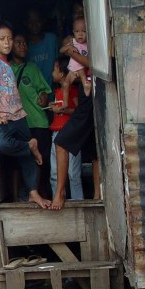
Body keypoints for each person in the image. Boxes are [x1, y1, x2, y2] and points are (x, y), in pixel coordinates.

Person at [0, 21, 50, 209]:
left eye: (10, 38)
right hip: (4, 117)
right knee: (3, 145)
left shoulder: (8, 64)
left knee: (27, 160)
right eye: (2, 39)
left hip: (19, 115)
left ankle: (33, 193)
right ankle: (30, 145)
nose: (7, 42)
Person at [10, 32, 52, 199]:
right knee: (18, 162)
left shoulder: (33, 68)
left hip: (38, 122)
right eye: (19, 42)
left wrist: (43, 96)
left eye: (25, 43)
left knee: (41, 161)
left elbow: (44, 90)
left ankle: (40, 194)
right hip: (19, 123)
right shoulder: (6, 69)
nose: (23, 46)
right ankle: (17, 198)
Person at [53, 74, 94, 210]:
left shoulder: (80, 60)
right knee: (95, 153)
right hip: (92, 95)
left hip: (89, 99)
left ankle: (60, 193)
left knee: (61, 144)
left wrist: (68, 51)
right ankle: (97, 195)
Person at [49, 54, 83, 207]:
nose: (52, 73)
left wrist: (63, 110)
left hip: (71, 135)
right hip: (56, 134)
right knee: (55, 172)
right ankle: (58, 196)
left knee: (73, 173)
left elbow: (77, 111)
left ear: (62, 73)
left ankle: (78, 202)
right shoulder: (57, 92)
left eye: (54, 70)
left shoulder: (74, 90)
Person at [59, 17, 89, 117]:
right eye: (77, 31)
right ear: (73, 32)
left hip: (81, 69)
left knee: (82, 75)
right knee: (66, 83)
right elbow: (61, 51)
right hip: (72, 70)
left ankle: (86, 87)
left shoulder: (89, 44)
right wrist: (68, 47)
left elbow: (88, 62)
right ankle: (65, 102)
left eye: (83, 31)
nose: (80, 34)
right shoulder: (72, 42)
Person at [24, 9, 58, 86]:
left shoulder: (51, 39)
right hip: (33, 94)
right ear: (25, 23)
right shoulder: (23, 46)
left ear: (42, 21)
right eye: (30, 22)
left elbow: (58, 64)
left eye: (37, 21)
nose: (34, 25)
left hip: (53, 91)